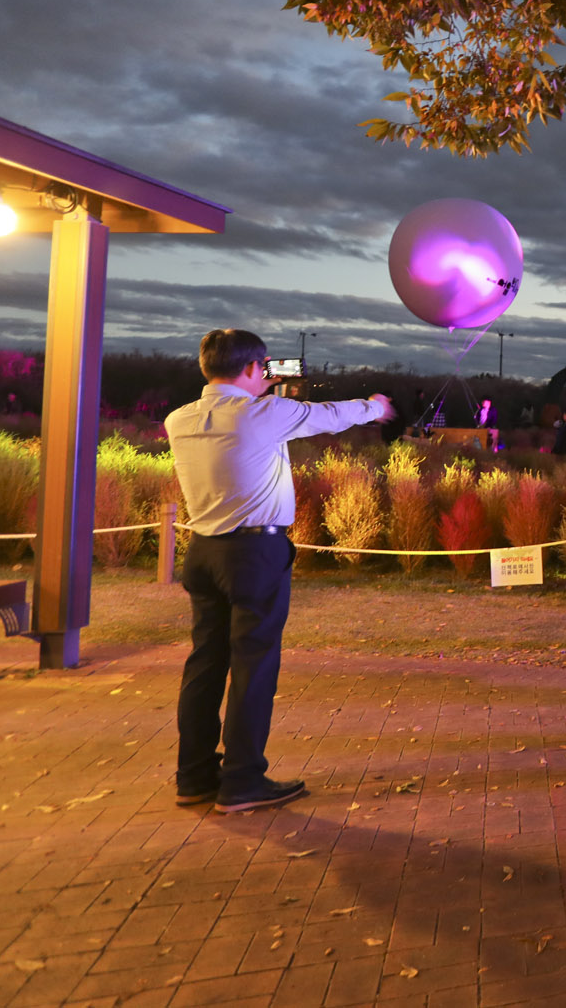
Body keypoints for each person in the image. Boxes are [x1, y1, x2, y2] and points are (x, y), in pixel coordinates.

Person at [163, 329, 392, 813]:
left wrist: (263, 389)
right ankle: (243, 780)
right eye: (264, 367)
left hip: (202, 549)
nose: (268, 374)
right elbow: (329, 416)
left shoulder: (178, 419)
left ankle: (194, 776)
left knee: (205, 663)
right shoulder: (263, 413)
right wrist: (375, 405)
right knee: (253, 665)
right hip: (253, 554)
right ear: (251, 368)